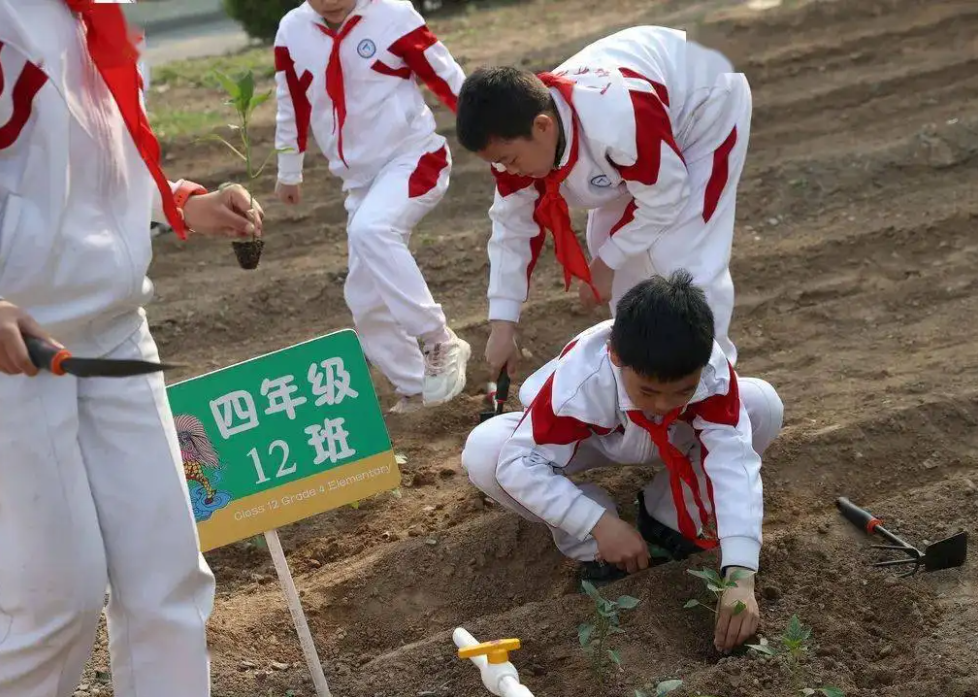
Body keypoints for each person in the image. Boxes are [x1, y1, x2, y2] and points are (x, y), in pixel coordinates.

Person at [0, 2, 265, 696]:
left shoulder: (88, 12)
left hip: (111, 322)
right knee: (46, 605)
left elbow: (84, 151)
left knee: (166, 575)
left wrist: (175, 200)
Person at [460, 270, 784, 653]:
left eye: (682, 390)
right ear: (615, 356)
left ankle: (668, 518)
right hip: (591, 438)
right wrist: (596, 524)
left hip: (673, 436)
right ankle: (599, 548)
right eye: (648, 390)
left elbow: (733, 461)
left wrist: (741, 575)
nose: (663, 403)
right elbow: (518, 464)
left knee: (762, 403)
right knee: (486, 452)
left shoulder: (709, 371)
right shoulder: (581, 382)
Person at [454, 25, 751, 382]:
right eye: (498, 162)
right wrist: (502, 326)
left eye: (511, 159)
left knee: (684, 257)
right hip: (644, 131)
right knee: (608, 245)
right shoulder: (517, 149)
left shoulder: (616, 118)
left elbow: (667, 196)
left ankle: (710, 380)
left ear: (543, 127)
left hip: (704, 101)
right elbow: (512, 231)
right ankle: (642, 376)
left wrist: (607, 262)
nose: (507, 170)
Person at [273, 0, 471, 414]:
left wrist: (492, 128)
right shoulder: (291, 31)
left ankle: (440, 339)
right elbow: (290, 101)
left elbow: (446, 75)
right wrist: (289, 169)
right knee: (364, 299)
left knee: (373, 231)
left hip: (413, 158)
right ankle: (416, 387)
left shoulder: (393, 14)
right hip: (357, 182)